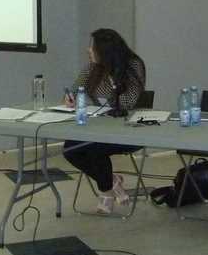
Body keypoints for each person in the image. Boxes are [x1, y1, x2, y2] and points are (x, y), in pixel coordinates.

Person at [61, 28, 146, 215]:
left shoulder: (133, 65)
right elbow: (75, 89)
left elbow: (128, 102)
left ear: (106, 51)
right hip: (99, 127)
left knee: (93, 148)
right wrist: (70, 98)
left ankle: (105, 193)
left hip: (129, 130)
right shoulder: (93, 67)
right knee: (70, 149)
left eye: (92, 47)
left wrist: (111, 80)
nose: (88, 50)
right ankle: (112, 181)